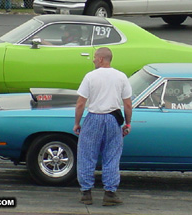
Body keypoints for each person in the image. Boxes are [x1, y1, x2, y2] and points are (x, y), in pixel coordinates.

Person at [73, 47, 132, 206]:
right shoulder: (121, 77)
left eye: (94, 57)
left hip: (94, 118)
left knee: (86, 155)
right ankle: (110, 193)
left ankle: (86, 193)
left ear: (100, 59)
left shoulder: (90, 77)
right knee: (112, 156)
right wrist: (127, 123)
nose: (93, 60)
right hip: (113, 119)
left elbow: (80, 103)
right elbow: (127, 104)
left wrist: (77, 123)